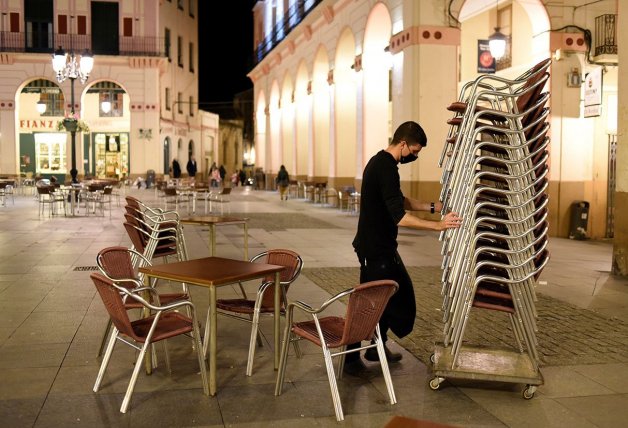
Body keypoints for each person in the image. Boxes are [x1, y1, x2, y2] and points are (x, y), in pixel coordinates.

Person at [345, 121, 462, 377]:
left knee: (387, 295)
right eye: (415, 151)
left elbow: (398, 198)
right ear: (403, 144)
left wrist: (432, 207)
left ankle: (376, 347)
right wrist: (438, 226)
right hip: (375, 248)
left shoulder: (381, 162)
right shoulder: (386, 167)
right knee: (374, 300)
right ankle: (351, 357)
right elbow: (399, 216)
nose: (415, 156)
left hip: (378, 246)